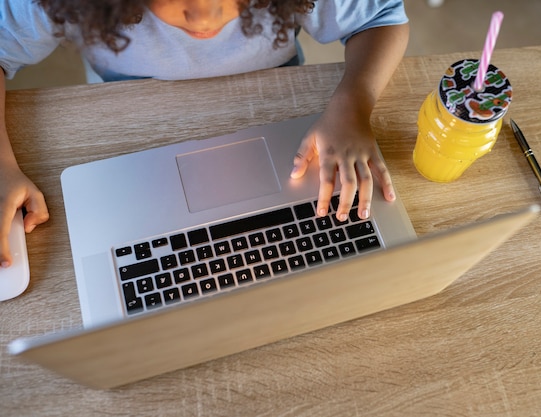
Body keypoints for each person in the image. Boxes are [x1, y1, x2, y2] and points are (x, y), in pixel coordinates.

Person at [0, 0, 409, 267]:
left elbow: (381, 18)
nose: (205, 18)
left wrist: (351, 106)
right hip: (127, 116)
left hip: (273, 101)